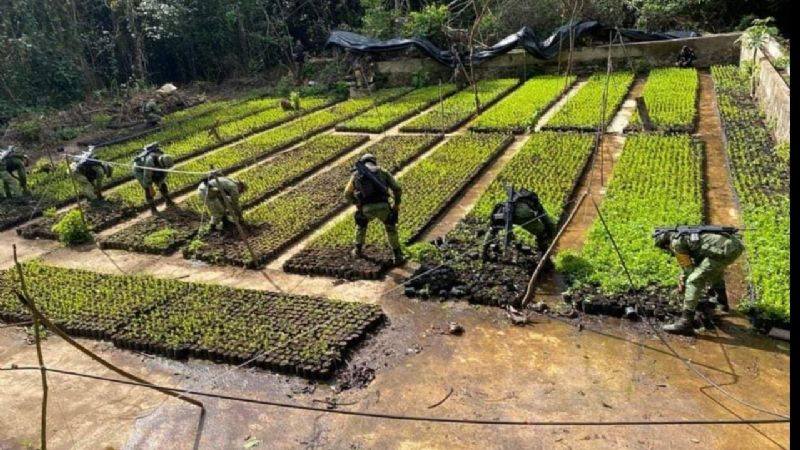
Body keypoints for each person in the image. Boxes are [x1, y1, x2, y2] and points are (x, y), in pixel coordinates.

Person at [653, 226, 744, 335]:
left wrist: (683, 284)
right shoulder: (683, 236)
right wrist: (683, 276)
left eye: (666, 248)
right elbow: (696, 260)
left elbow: (689, 271)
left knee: (693, 281)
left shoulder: (676, 243)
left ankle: (685, 323)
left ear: (666, 243)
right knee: (713, 271)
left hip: (724, 250)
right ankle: (721, 303)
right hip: (732, 246)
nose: (669, 251)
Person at [344, 153, 404, 265]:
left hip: (366, 208)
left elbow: (347, 194)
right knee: (391, 229)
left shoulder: (356, 174)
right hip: (383, 207)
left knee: (361, 227)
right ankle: (397, 255)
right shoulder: (383, 172)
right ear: (373, 161)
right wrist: (396, 204)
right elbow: (397, 189)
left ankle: (357, 250)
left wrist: (357, 203)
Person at [482, 186, 556, 258]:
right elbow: (548, 222)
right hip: (521, 214)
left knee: (493, 228)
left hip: (507, 210)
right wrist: (551, 236)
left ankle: (484, 251)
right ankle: (545, 257)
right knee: (541, 233)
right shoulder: (536, 205)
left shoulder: (517, 197)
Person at [132, 142, 176, 215]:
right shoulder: (150, 161)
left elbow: (163, 173)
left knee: (162, 184)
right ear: (160, 163)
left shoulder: (164, 158)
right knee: (147, 189)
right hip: (140, 170)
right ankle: (153, 208)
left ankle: (168, 201)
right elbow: (147, 176)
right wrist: (150, 187)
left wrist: (160, 182)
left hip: (152, 168)